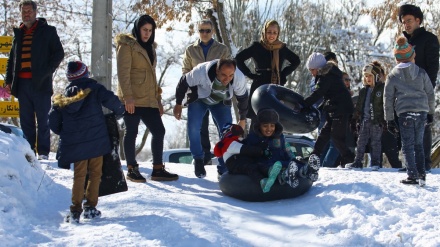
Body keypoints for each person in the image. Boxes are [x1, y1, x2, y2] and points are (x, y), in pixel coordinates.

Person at [48, 61, 125, 223]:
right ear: (85, 73)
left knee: (79, 175)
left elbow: (53, 122)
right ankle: (90, 207)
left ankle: (75, 210)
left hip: (76, 144)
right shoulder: (95, 89)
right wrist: (118, 114)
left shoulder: (63, 97)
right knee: (95, 173)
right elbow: (114, 103)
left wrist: (66, 132)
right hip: (97, 141)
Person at [115, 15, 178, 183]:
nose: (147, 33)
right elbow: (123, 73)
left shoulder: (151, 48)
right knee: (132, 132)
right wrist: (127, 97)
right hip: (132, 99)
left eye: (150, 30)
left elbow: (152, 76)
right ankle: (131, 168)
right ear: (138, 29)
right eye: (144, 30)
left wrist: (157, 99)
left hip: (149, 99)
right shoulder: (126, 46)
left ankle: (157, 169)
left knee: (159, 131)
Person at [4, 0, 64, 160]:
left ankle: (43, 153)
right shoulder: (19, 34)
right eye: (24, 12)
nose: (26, 14)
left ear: (36, 12)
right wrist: (8, 81)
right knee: (26, 121)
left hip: (41, 83)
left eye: (29, 11)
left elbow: (59, 53)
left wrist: (47, 71)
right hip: (22, 84)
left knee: (43, 119)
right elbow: (12, 59)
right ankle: (29, 153)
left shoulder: (48, 31)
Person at [174, 58, 248, 178]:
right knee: (193, 128)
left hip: (221, 101)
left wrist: (242, 119)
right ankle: (198, 159)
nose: (227, 78)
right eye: (223, 75)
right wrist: (178, 104)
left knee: (227, 132)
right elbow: (183, 82)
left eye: (230, 75)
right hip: (199, 99)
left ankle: (223, 166)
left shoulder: (238, 78)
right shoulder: (200, 72)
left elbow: (243, 98)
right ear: (217, 71)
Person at [384, 37, 434, 186]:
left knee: (407, 145)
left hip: (405, 113)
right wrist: (430, 112)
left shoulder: (393, 75)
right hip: (421, 112)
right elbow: (430, 93)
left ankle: (412, 175)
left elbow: (388, 98)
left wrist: (389, 119)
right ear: (412, 56)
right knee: (419, 144)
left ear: (397, 59)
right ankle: (422, 174)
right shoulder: (421, 72)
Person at [182, 19, 231, 167]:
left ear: (213, 32)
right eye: (201, 30)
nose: (204, 33)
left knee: (224, 127)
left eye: (207, 30)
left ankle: (225, 159)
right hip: (198, 95)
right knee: (197, 126)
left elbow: (229, 69)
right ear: (198, 32)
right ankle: (201, 157)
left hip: (218, 94)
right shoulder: (191, 50)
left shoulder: (221, 49)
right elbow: (185, 71)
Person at [235, 20, 300, 130]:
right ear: (264, 32)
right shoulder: (257, 47)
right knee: (257, 118)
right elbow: (239, 58)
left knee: (275, 118)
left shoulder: (281, 48)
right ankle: (253, 143)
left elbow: (296, 61)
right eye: (269, 32)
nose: (272, 35)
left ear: (278, 34)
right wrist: (250, 74)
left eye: (275, 32)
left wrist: (283, 74)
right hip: (260, 85)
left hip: (276, 87)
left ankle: (272, 145)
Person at [398, 4, 439, 172]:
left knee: (423, 125)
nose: (406, 24)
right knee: (406, 125)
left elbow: (433, 67)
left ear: (418, 20)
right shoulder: (403, 41)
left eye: (409, 20)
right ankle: (410, 164)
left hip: (422, 88)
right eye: (403, 21)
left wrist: (427, 88)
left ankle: (424, 164)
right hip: (403, 90)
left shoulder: (429, 39)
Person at [303, 52, 355, 166]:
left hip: (341, 110)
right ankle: (314, 156)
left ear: (318, 68)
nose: (311, 73)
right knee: (324, 134)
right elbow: (328, 95)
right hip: (334, 109)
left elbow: (318, 94)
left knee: (337, 137)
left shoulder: (327, 77)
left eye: (312, 70)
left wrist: (303, 104)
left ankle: (350, 159)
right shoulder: (327, 75)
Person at [213, 123, 281, 193]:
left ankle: (271, 171)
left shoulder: (236, 142)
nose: (240, 135)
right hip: (235, 164)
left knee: (258, 165)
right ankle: (262, 181)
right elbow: (246, 149)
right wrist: (261, 151)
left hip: (240, 161)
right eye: (238, 133)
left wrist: (261, 146)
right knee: (251, 168)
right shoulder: (229, 143)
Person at [346, 62, 385, 171]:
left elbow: (385, 106)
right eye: (366, 76)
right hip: (365, 120)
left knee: (375, 142)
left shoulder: (381, 90)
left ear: (376, 77)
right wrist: (355, 118)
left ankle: (376, 163)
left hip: (376, 121)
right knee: (361, 141)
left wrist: (384, 120)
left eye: (370, 76)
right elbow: (359, 106)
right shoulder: (363, 91)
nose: (367, 79)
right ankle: (358, 161)